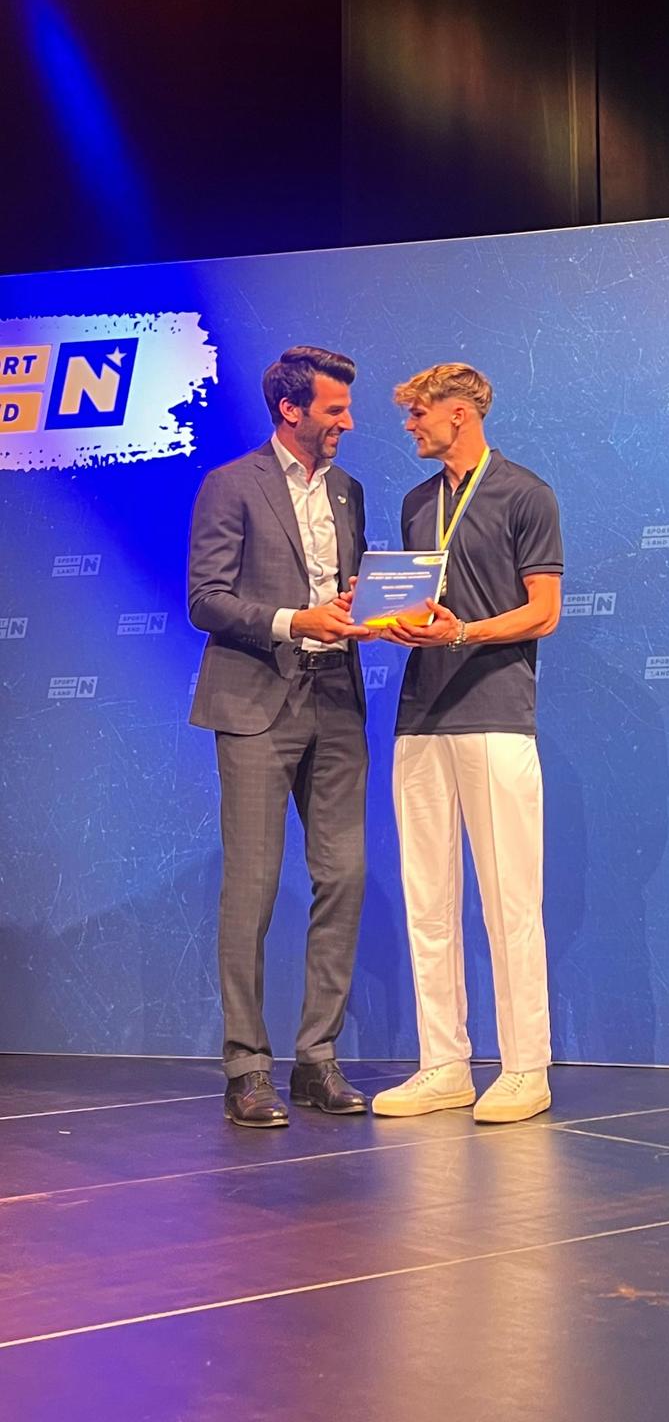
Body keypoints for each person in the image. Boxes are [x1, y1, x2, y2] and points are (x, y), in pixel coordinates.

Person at [368, 363, 563, 1125]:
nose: (410, 426)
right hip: (420, 716)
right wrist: (385, 619)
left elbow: (544, 611)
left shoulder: (526, 493)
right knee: (428, 900)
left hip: (495, 713)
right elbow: (420, 605)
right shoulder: (418, 502)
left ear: (458, 413)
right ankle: (443, 1064)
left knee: (510, 899)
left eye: (418, 414)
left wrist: (464, 633)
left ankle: (525, 1069)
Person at [188, 345, 372, 1128]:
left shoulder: (349, 491)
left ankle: (317, 1059)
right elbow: (205, 598)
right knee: (254, 888)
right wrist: (295, 620)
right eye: (335, 409)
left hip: (337, 700)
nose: (348, 423)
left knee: (346, 875)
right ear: (291, 410)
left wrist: (373, 609)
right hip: (256, 702)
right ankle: (247, 1068)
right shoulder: (231, 485)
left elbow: (345, 595)